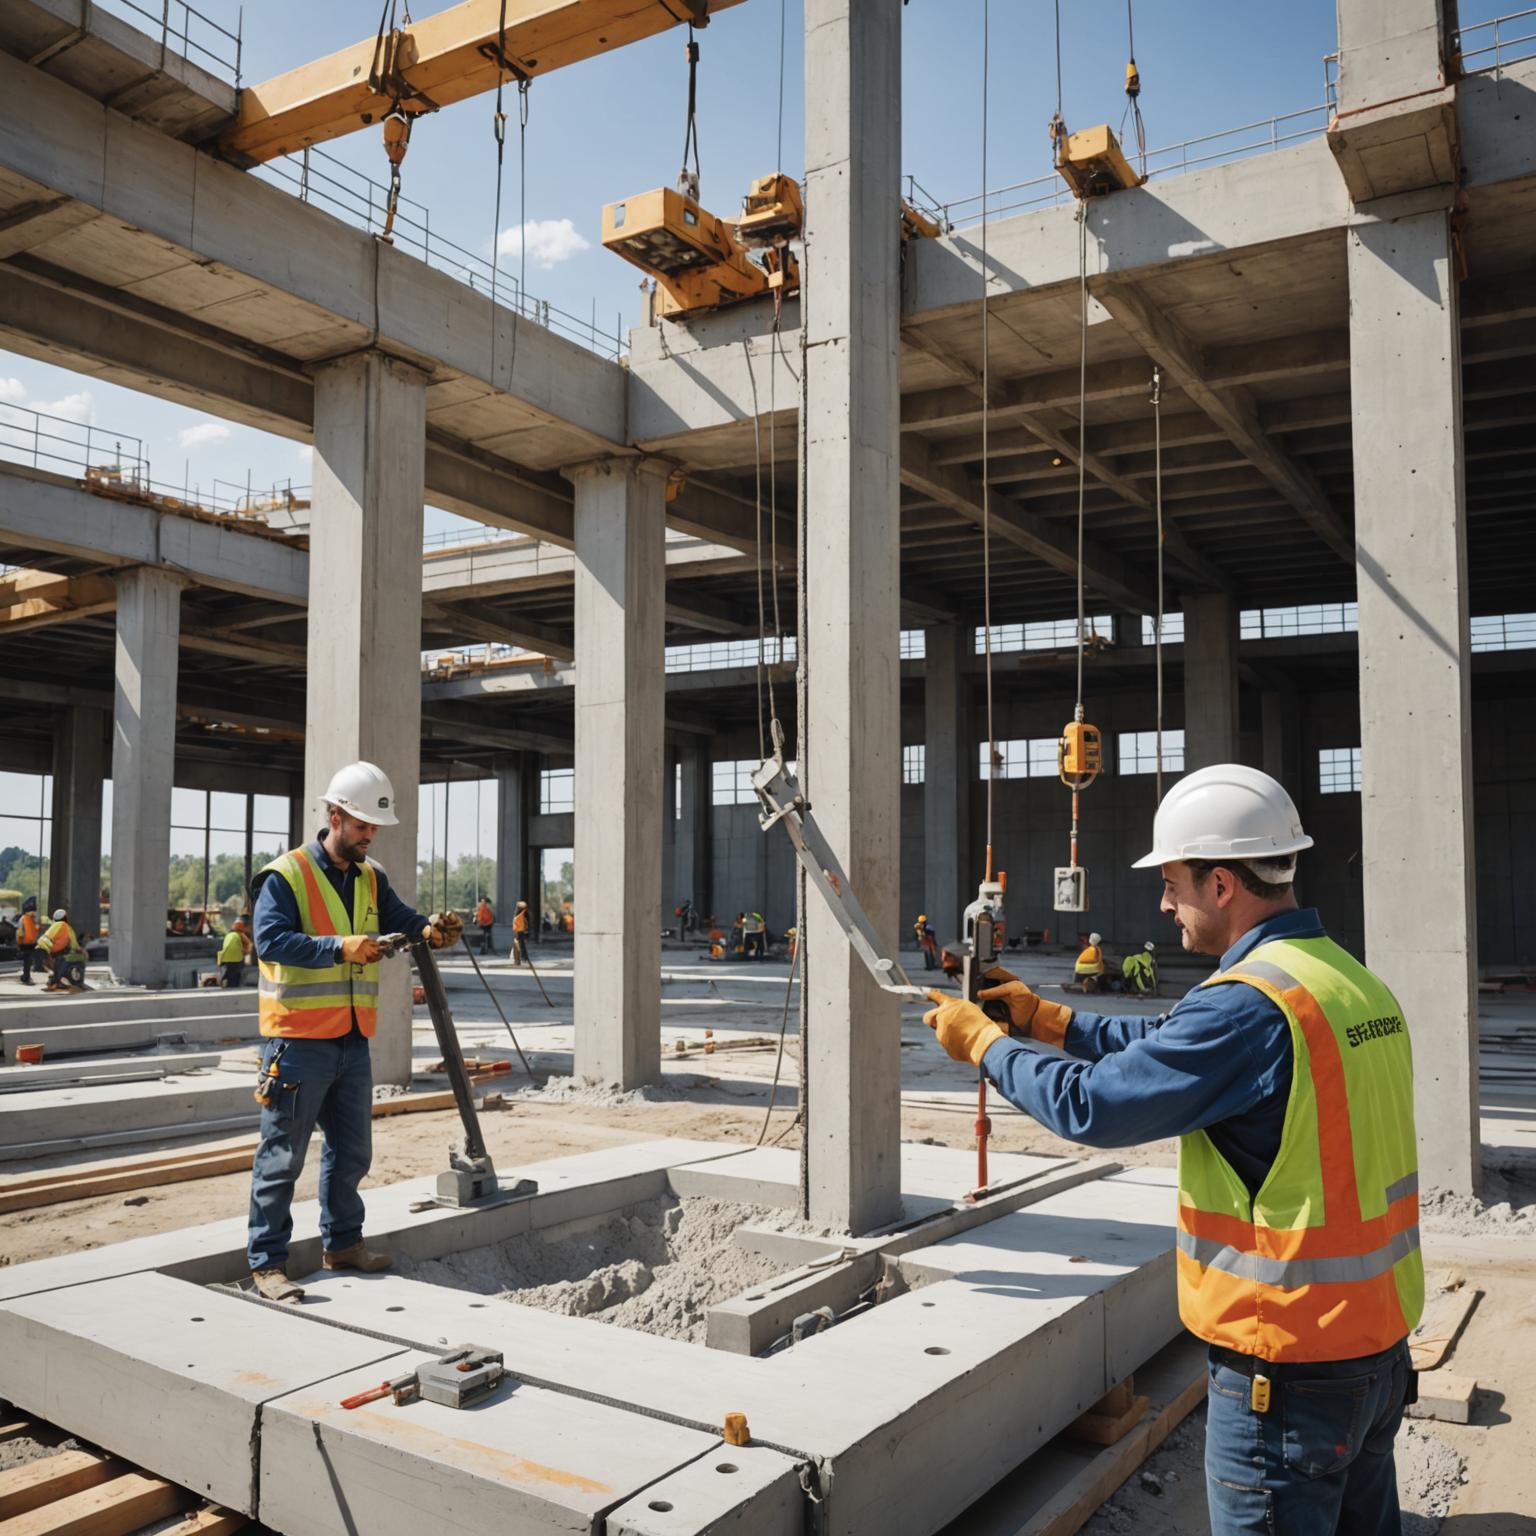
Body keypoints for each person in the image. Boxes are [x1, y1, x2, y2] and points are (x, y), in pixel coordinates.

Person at [923, 765, 1421, 1536]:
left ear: (1222, 883)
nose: (1164, 904)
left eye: (1173, 884)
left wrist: (985, 1045)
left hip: (1284, 1370)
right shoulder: (1342, 981)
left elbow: (1093, 1105)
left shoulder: (1250, 1005)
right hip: (1375, 1349)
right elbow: (1172, 1042)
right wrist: (1045, 1020)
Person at [247, 761, 461, 1304]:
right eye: (363, 826)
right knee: (282, 1157)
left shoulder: (370, 876)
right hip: (297, 1040)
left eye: (374, 828)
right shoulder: (285, 875)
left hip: (350, 1037)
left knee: (352, 1153)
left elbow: (402, 919)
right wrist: (339, 946)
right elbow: (271, 942)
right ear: (336, 816)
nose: (370, 836)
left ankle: (342, 1243)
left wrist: (431, 931)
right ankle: (268, 1263)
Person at [36, 906, 85, 992]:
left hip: (40, 949)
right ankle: (57, 982)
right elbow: (74, 944)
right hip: (50, 950)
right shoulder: (65, 926)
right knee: (63, 961)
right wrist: (80, 950)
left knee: (55, 966)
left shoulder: (53, 925)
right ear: (65, 917)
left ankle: (54, 982)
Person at [217, 919, 251, 988]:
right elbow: (249, 944)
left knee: (230, 971)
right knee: (236, 973)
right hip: (236, 958)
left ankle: (226, 978)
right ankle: (232, 983)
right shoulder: (240, 934)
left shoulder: (228, 935)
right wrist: (246, 953)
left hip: (225, 958)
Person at [15, 895, 40, 986]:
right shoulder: (23, 919)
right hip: (25, 944)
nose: (34, 912)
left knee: (29, 962)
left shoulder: (32, 920)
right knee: (27, 961)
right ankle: (26, 977)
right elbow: (20, 932)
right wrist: (20, 943)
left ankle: (25, 976)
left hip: (31, 944)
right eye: (33, 910)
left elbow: (34, 931)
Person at [511, 899, 530, 966]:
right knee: (520, 945)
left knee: (519, 945)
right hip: (519, 931)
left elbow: (521, 924)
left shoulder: (519, 915)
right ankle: (521, 959)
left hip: (519, 931)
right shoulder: (522, 915)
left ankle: (519, 959)